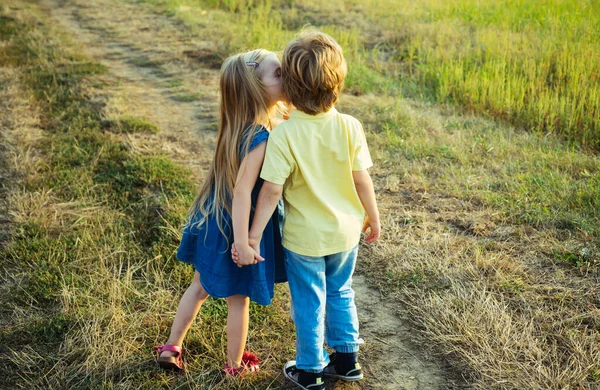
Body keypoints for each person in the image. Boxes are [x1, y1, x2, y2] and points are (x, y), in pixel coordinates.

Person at [238, 30, 381, 389]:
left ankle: (310, 369)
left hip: (304, 239)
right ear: (338, 82)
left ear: (291, 87)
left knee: (309, 301)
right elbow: (361, 179)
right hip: (346, 232)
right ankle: (347, 360)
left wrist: (252, 236)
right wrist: (373, 217)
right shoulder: (350, 126)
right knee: (341, 291)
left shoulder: (284, 134)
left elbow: (270, 192)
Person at [153, 48, 287, 376]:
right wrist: (243, 241)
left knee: (199, 286)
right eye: (278, 73)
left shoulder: (237, 126)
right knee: (238, 298)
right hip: (235, 227)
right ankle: (234, 365)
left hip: (216, 220)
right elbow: (243, 192)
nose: (286, 76)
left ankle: (172, 346)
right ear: (256, 89)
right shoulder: (260, 137)